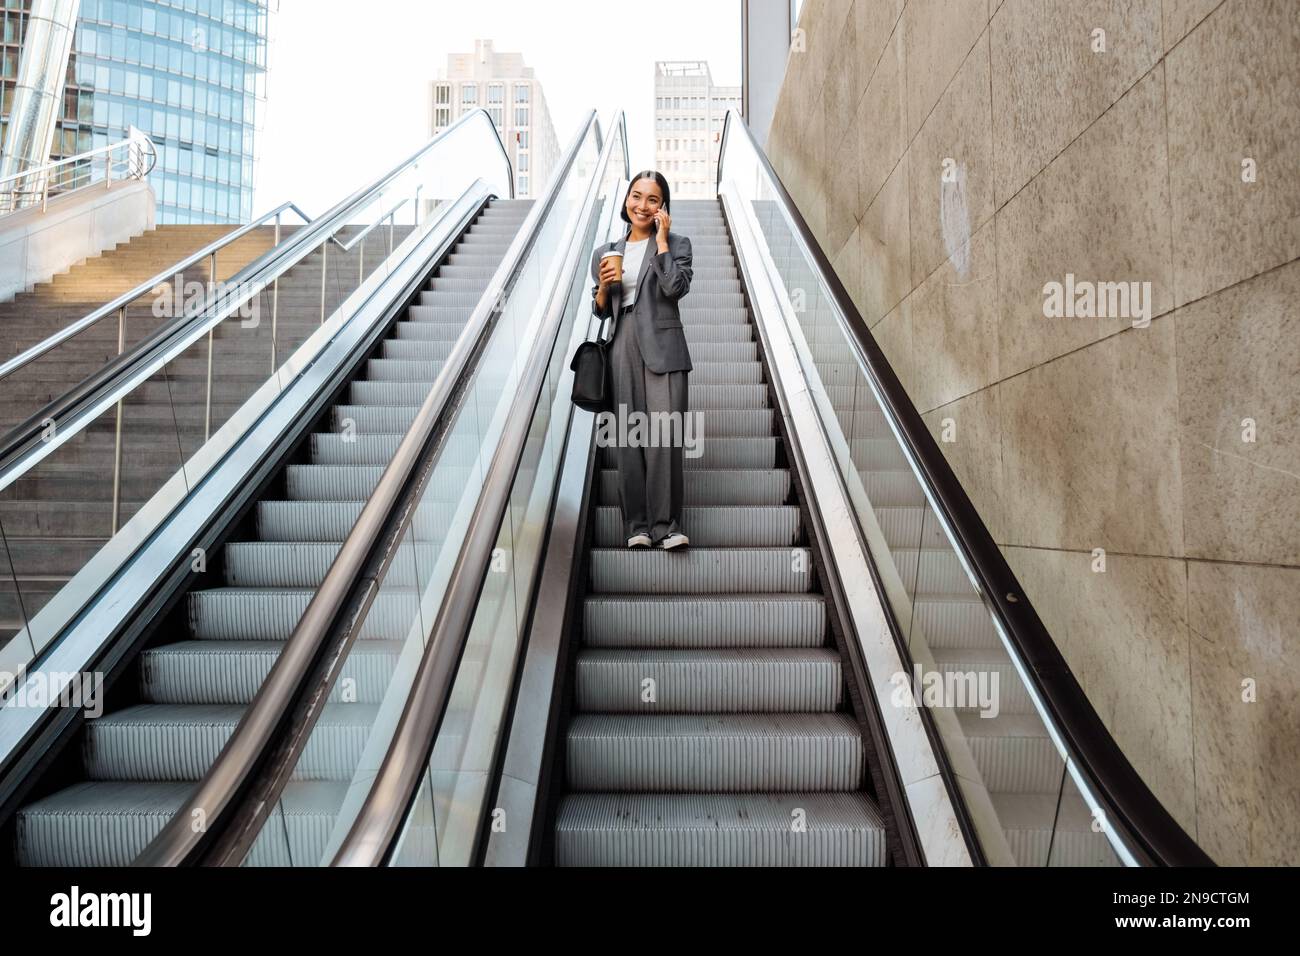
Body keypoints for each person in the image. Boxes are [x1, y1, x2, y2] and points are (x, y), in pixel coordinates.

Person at [589, 170, 694, 550]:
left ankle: (666, 526)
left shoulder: (678, 244)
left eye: (653, 199)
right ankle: (637, 526)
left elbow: (675, 288)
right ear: (626, 200)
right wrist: (603, 287)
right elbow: (601, 311)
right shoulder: (605, 252)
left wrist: (662, 242)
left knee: (664, 436)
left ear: (663, 207)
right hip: (622, 343)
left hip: (664, 345)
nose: (642, 205)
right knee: (628, 437)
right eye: (637, 196)